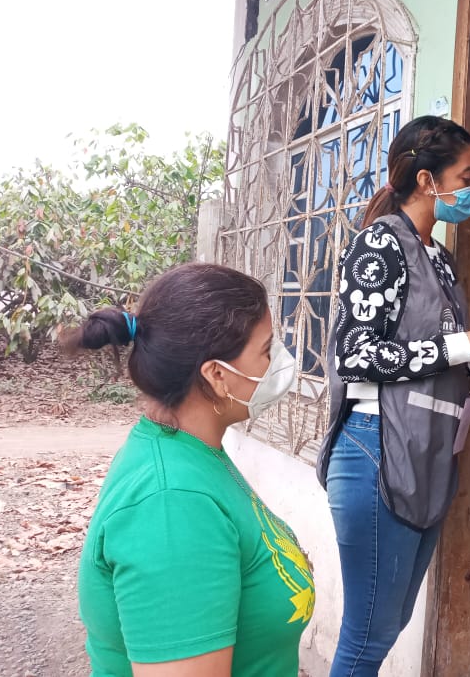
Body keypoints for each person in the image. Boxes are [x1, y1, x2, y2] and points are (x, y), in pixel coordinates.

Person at [316, 115, 470, 676]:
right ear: (429, 181)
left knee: (388, 624)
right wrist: (461, 345)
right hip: (376, 448)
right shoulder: (380, 244)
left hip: (423, 450)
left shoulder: (438, 257)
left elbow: (431, 353)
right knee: (368, 634)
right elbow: (354, 355)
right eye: (467, 176)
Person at [70, 263, 315, 677]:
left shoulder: (191, 452)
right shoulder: (172, 505)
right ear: (218, 375)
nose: (279, 362)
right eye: (266, 350)